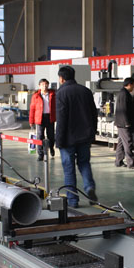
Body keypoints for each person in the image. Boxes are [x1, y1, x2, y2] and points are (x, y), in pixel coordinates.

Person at [55, 65, 98, 208]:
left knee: (69, 169)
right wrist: (92, 133)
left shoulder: (61, 93)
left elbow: (61, 119)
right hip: (85, 136)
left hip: (68, 139)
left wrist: (58, 140)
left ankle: (73, 200)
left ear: (61, 78)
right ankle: (89, 187)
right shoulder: (85, 91)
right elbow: (94, 114)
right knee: (84, 163)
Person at [28, 78, 56, 161]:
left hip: (50, 117)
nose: (45, 86)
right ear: (39, 86)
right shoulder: (36, 96)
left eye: (46, 84)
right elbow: (32, 108)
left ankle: (51, 148)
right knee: (40, 136)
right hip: (39, 118)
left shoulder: (53, 94)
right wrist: (31, 121)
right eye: (43, 85)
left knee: (51, 135)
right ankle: (41, 154)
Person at [114, 78, 134, 168]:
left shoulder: (122, 92)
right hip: (124, 123)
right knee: (128, 142)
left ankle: (118, 161)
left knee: (121, 142)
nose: (133, 87)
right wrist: (126, 122)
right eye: (133, 85)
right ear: (129, 84)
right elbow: (123, 108)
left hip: (121, 122)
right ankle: (131, 163)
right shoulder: (124, 94)